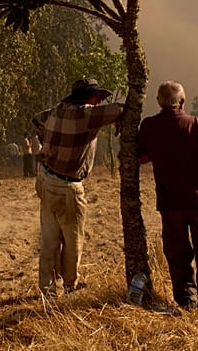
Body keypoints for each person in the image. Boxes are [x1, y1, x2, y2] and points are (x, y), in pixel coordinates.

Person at [32, 77, 123, 298]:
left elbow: (36, 120)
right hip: (68, 186)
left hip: (45, 178)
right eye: (97, 97)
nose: (99, 101)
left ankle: (47, 288)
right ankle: (70, 285)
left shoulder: (55, 111)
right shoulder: (86, 115)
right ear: (87, 97)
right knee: (73, 241)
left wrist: (48, 143)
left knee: (49, 239)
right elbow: (122, 109)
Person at [136, 81, 198, 310]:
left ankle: (186, 303)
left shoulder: (149, 126)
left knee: (177, 253)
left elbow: (142, 158)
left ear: (158, 102)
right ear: (182, 101)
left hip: (170, 202)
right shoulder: (196, 124)